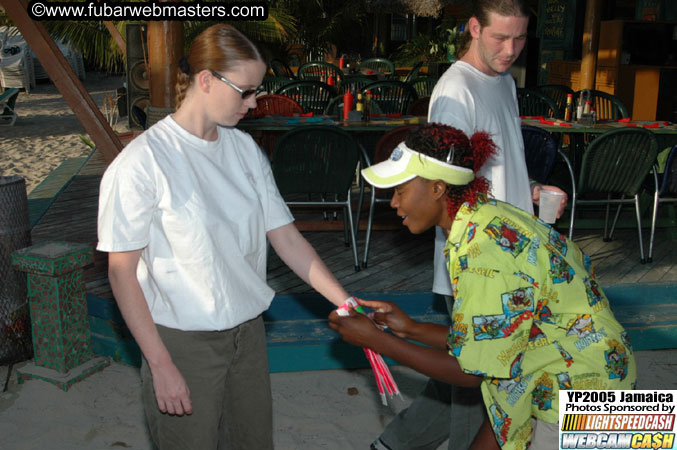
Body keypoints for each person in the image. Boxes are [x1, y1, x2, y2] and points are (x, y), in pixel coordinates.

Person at [97, 24, 353, 450]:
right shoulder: (142, 163)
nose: (253, 104)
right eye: (246, 91)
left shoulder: (244, 150)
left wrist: (346, 303)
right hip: (182, 341)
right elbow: (121, 272)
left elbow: (287, 239)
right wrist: (160, 364)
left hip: (248, 334)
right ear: (206, 80)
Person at [330, 123, 636, 450]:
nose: (393, 203)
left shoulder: (484, 255)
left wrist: (380, 342)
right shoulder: (486, 216)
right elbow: (491, 340)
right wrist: (410, 329)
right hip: (579, 372)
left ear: (437, 188)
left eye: (400, 191)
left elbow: (472, 372)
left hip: (579, 392)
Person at [373, 2, 568, 449]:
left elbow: (471, 366)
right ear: (474, 28)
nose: (511, 49)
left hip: (521, 274)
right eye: (501, 37)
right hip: (494, 260)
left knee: (480, 385)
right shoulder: (456, 89)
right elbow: (442, 175)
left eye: (520, 39)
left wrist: (528, 186)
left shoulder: (503, 83)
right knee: (478, 388)